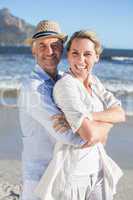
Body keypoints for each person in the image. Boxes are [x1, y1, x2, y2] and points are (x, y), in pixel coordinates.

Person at [18, 21, 111, 200]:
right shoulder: (33, 88)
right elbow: (72, 136)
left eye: (55, 45)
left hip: (63, 174)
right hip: (39, 177)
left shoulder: (65, 81)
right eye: (42, 46)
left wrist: (94, 125)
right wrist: (104, 127)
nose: (49, 51)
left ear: (62, 49)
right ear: (33, 50)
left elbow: (102, 112)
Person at [35, 30, 125, 200]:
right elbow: (89, 135)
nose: (81, 60)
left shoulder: (94, 82)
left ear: (97, 57)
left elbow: (120, 114)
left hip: (99, 169)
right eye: (75, 53)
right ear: (67, 55)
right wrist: (107, 122)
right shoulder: (65, 86)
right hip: (73, 176)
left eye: (87, 54)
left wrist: (90, 116)